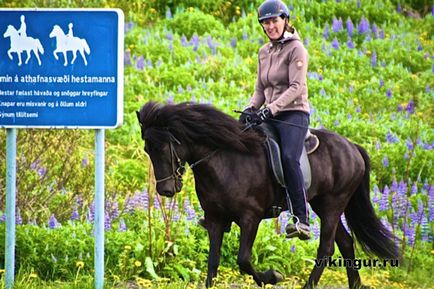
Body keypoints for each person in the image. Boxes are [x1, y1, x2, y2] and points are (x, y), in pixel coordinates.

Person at [239, 0, 311, 240]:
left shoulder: (296, 49)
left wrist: (271, 109)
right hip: (269, 113)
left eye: (274, 21)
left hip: (293, 114)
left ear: (285, 20)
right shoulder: (264, 52)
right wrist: (251, 108)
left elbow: (296, 86)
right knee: (239, 140)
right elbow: (260, 88)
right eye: (266, 23)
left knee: (290, 157)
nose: (270, 26)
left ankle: (301, 218)